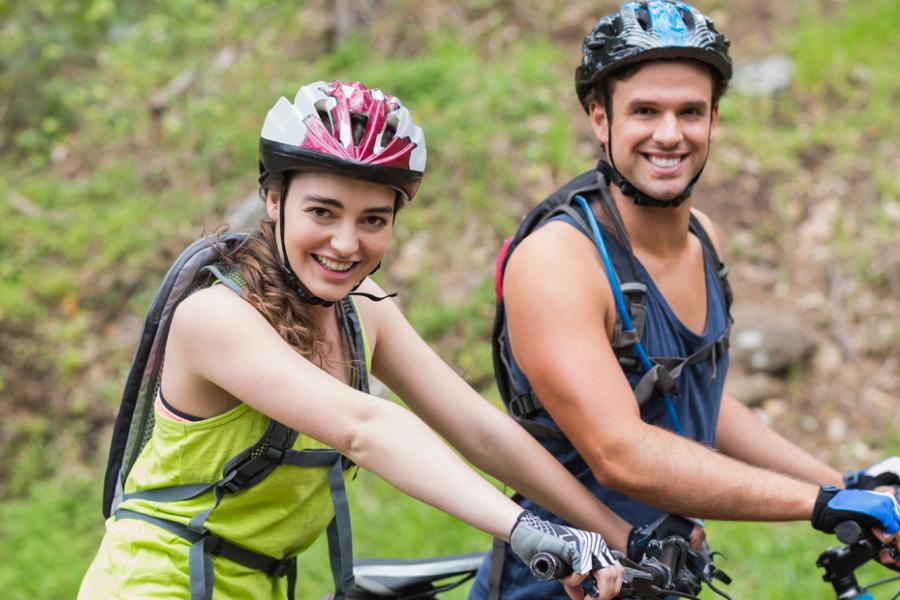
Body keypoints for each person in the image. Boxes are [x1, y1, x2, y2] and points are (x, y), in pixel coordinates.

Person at [77, 80, 628, 600]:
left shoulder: (361, 310)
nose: (346, 244)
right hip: (152, 582)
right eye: (322, 211)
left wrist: (619, 534)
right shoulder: (216, 318)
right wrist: (525, 529)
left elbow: (479, 430)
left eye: (372, 219)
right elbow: (366, 428)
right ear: (274, 199)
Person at [469, 2, 900, 598]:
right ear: (600, 117)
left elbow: (702, 402)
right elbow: (621, 454)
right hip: (563, 584)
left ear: (714, 120)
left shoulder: (703, 238)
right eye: (645, 111)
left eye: (689, 112)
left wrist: (849, 483)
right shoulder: (558, 262)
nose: (669, 134)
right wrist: (817, 503)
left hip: (663, 577)